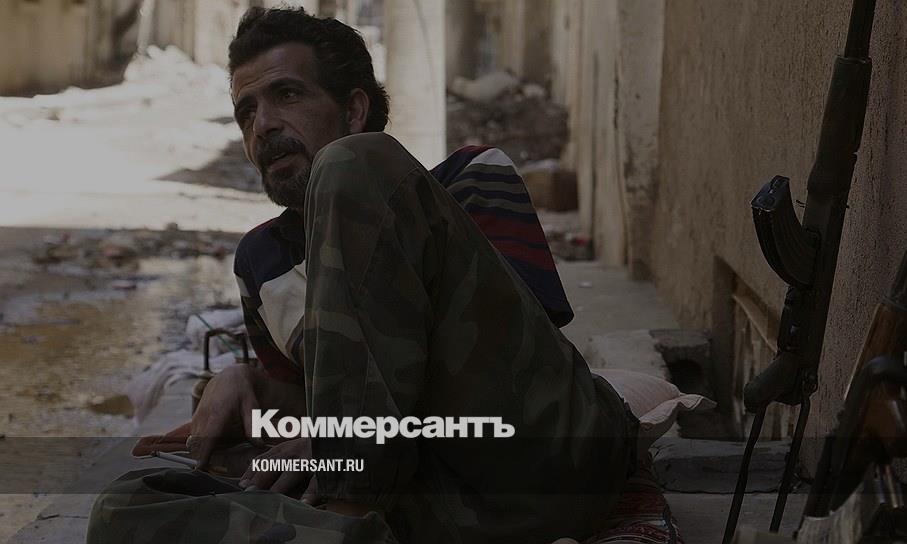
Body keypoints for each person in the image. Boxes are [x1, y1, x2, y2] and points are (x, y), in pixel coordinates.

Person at [91, 7, 638, 543]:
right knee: (127, 506)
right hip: (427, 507)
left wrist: (339, 445)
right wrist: (247, 383)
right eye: (246, 112)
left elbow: (513, 360)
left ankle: (348, 508)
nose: (263, 125)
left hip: (540, 463)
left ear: (354, 110)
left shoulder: (470, 178)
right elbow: (325, 399)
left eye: (287, 95)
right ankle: (349, 526)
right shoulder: (262, 261)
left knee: (347, 167)